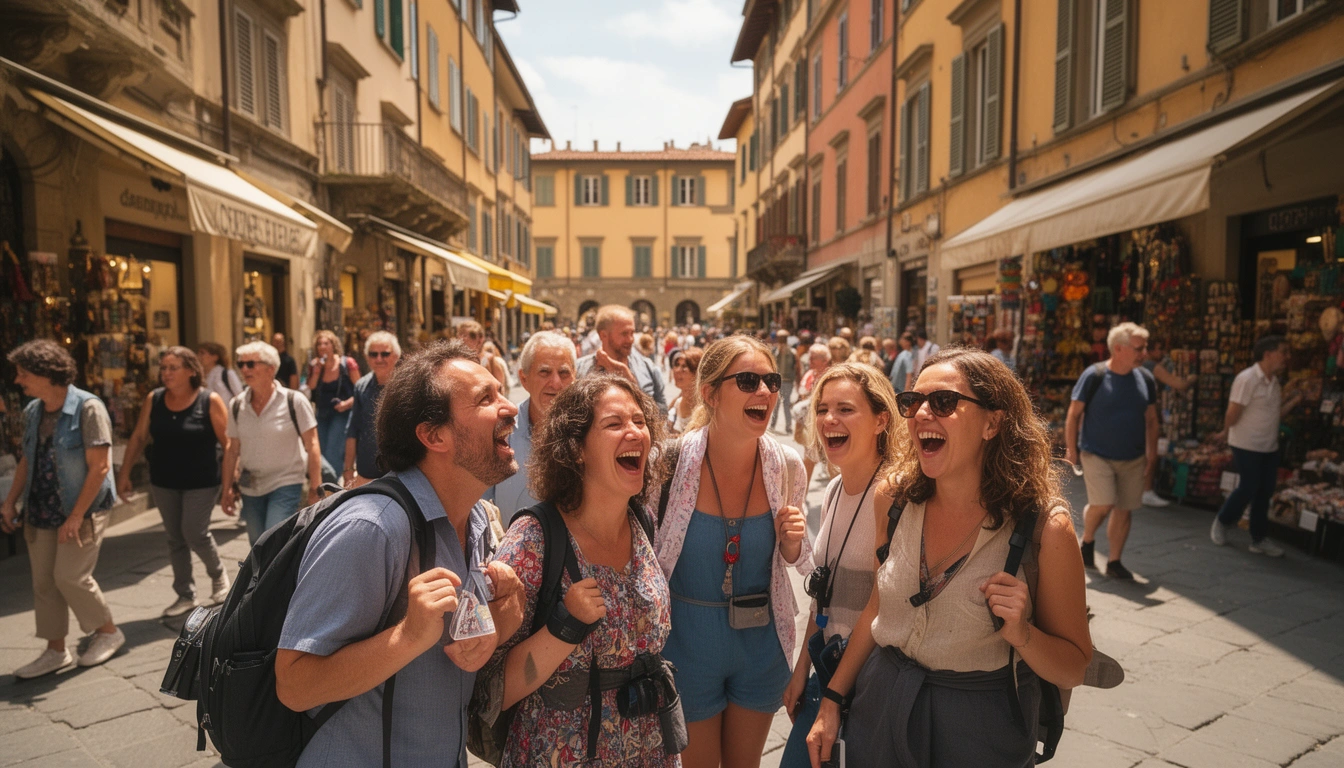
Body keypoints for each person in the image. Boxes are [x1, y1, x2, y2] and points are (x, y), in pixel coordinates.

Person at [807, 348, 1092, 767]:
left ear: (993, 422)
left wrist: (1022, 633)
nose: (921, 413)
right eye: (912, 402)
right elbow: (876, 607)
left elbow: (1075, 668)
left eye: (942, 402)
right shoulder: (893, 498)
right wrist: (832, 700)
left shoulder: (1046, 529)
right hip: (879, 707)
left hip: (979, 729)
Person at [274, 340, 525, 767]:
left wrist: (507, 613)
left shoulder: (478, 520)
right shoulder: (371, 528)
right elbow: (295, 684)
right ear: (433, 435)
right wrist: (407, 635)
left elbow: (460, 649)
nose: (511, 407)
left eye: (501, 391)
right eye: (486, 398)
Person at [489, 374, 679, 766]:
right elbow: (492, 690)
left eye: (640, 422)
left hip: (649, 749)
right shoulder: (534, 538)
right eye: (614, 424)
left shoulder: (641, 520)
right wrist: (565, 625)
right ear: (576, 449)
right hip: (563, 754)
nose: (635, 433)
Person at [652, 335, 811, 768]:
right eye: (747, 380)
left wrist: (792, 543)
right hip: (687, 645)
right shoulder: (666, 464)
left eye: (771, 381)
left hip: (761, 643)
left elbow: (796, 560)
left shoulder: (789, 465)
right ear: (710, 393)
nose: (765, 391)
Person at [779, 363, 898, 768]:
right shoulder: (832, 489)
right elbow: (823, 595)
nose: (829, 419)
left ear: (881, 420)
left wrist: (832, 697)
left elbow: (879, 604)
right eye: (823, 408)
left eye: (845, 409)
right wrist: (801, 671)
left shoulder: (893, 494)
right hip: (827, 674)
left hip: (869, 685)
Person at [2, 340, 124, 678]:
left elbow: (99, 468)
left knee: (69, 576)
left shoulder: (88, 408)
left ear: (45, 373)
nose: (17, 380)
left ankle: (108, 631)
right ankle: (55, 651)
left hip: (80, 510)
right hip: (40, 509)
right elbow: (27, 458)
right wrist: (10, 501)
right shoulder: (33, 411)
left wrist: (75, 516)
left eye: (23, 373)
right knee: (44, 582)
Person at [117, 347, 230, 617]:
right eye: (163, 368)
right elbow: (138, 437)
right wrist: (124, 474)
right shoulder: (153, 399)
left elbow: (229, 444)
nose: (165, 373)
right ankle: (185, 594)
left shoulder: (209, 400)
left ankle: (218, 576)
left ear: (191, 371)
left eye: (172, 368)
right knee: (175, 538)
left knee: (194, 532)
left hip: (202, 481)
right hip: (163, 480)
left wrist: (229, 484)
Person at [1065, 322, 1158, 581]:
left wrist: (1153, 452)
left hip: (1133, 456)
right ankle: (1087, 539)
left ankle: (1115, 561)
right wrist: (1072, 449)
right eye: (1140, 348)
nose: (1145, 353)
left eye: (1145, 347)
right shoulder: (1094, 375)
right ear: (1119, 348)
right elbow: (1073, 414)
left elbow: (1151, 419)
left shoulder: (1146, 379)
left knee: (1124, 508)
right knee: (1104, 503)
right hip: (1097, 453)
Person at [222, 341, 324, 546]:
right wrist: (226, 489)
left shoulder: (294, 401)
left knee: (272, 540)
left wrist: (316, 486)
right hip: (250, 486)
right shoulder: (236, 405)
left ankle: (278, 577)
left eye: (251, 364)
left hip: (286, 482)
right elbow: (232, 450)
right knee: (256, 545)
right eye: (240, 364)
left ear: (271, 368)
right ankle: (265, 579)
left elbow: (312, 444)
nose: (244, 369)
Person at [1210, 336, 1302, 556]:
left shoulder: (1274, 383)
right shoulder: (1247, 379)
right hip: (1246, 443)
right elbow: (1233, 411)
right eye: (1283, 352)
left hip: (1269, 445)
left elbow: (1273, 414)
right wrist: (1225, 431)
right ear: (1268, 354)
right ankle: (1223, 521)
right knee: (1249, 486)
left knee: (1265, 491)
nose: (1286, 357)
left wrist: (1293, 402)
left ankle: (1259, 538)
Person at [487, 331, 577, 523]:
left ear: (574, 378)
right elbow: (480, 504)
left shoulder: (591, 432)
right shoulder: (498, 431)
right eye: (544, 372)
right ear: (524, 379)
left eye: (563, 373)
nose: (555, 383)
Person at [576, 305, 668, 415]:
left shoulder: (648, 368)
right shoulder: (579, 369)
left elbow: (662, 414)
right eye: (624, 334)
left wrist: (631, 384)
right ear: (603, 335)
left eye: (632, 333)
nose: (630, 339)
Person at [1139, 338, 1197, 508]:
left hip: (1137, 413)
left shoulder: (1137, 365)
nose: (1162, 353)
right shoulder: (1150, 366)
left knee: (1142, 451)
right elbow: (1179, 384)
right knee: (1151, 450)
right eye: (1158, 349)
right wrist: (1193, 377)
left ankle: (1140, 489)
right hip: (1148, 413)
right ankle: (1147, 490)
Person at [343, 331, 401, 488]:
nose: (379, 359)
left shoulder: (406, 386)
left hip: (401, 474)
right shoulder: (361, 386)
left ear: (396, 355)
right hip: (367, 473)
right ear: (367, 357)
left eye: (385, 354)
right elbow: (353, 430)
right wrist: (348, 469)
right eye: (373, 354)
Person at [306, 330, 360, 478]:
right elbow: (310, 387)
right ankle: (325, 486)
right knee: (320, 450)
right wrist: (316, 372)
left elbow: (360, 389)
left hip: (342, 413)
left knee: (333, 451)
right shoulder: (315, 365)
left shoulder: (347, 363)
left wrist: (347, 404)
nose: (322, 347)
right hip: (322, 413)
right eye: (319, 344)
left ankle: (332, 488)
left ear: (333, 345)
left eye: (326, 343)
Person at [795, 343, 833, 487]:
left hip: (826, 423)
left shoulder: (831, 376)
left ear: (824, 360)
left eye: (813, 358)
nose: (809, 361)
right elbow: (802, 392)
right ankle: (802, 497)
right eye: (809, 358)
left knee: (832, 461)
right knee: (810, 457)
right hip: (811, 423)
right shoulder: (810, 374)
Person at [667, 347, 704, 436]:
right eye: (677, 365)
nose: (677, 370)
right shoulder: (676, 403)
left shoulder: (705, 407)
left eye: (684, 367)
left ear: (697, 373)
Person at [198, 341, 243, 405]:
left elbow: (239, 395)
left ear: (215, 357)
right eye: (198, 353)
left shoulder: (226, 374)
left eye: (202, 353)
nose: (199, 356)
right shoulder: (199, 375)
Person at [771, 332, 797, 435]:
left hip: (788, 381)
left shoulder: (792, 352)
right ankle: (773, 425)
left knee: (786, 404)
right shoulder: (774, 351)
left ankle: (788, 426)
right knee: (775, 404)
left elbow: (796, 367)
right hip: (776, 380)